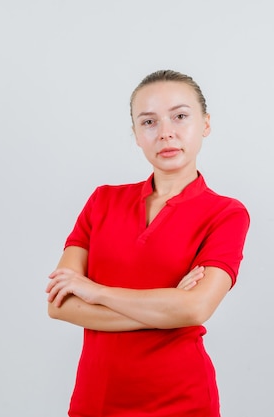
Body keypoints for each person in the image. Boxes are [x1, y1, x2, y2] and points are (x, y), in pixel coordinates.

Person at [46, 69, 250, 417]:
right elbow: (60, 305)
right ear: (136, 135)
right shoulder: (102, 201)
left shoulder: (226, 214)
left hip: (181, 401)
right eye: (149, 122)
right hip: (95, 399)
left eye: (180, 116)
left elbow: (195, 309)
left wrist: (97, 292)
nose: (166, 132)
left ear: (205, 124)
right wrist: (167, 310)